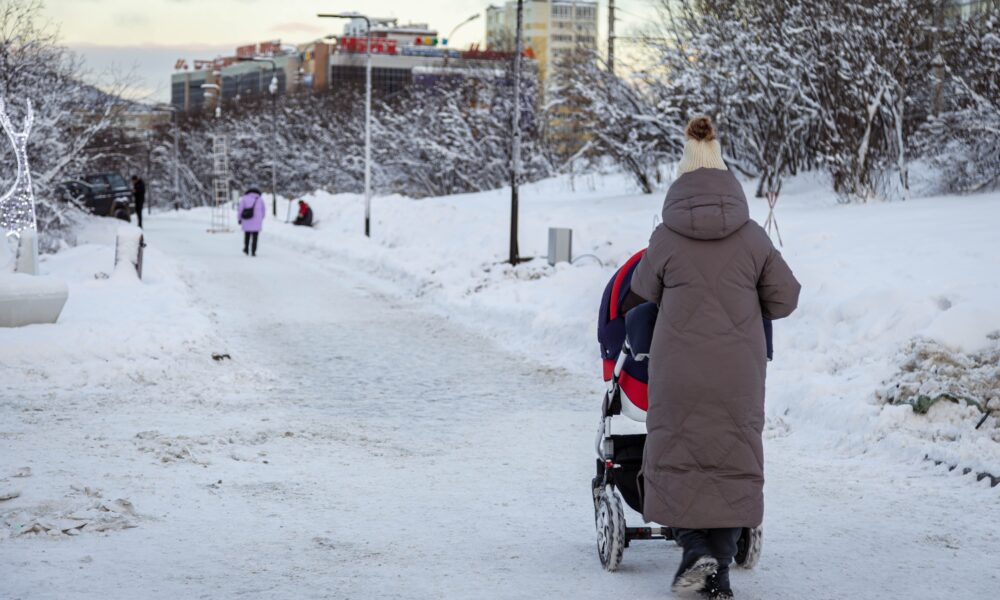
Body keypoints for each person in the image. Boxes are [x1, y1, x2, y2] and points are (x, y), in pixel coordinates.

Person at [630, 116, 801, 600]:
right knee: (732, 463)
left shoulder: (665, 236)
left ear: (680, 181)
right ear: (727, 177)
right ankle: (718, 571)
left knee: (677, 457)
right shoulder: (751, 237)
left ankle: (694, 553)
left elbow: (640, 292)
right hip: (737, 374)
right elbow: (785, 299)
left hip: (678, 372)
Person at [237, 187, 265, 256]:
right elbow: (263, 210)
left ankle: (246, 248)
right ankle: (253, 251)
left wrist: (239, 218)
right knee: (255, 236)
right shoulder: (260, 199)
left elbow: (240, 209)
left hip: (247, 220)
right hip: (257, 221)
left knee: (247, 235)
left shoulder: (244, 198)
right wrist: (261, 218)